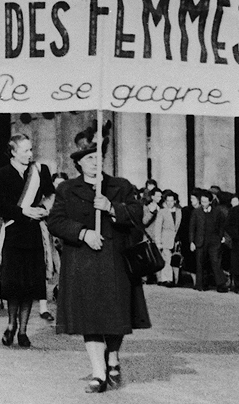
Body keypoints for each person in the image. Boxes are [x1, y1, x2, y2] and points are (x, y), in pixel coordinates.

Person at [48, 137, 150, 393]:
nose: (95, 162)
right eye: (89, 158)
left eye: (98, 157)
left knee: (116, 315)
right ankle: (98, 372)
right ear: (79, 163)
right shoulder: (68, 189)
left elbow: (138, 214)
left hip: (116, 260)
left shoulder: (120, 186)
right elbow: (55, 221)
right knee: (90, 318)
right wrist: (83, 233)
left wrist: (112, 207)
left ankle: (113, 356)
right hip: (83, 262)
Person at [0, 133, 54, 348]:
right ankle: (11, 325)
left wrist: (43, 211)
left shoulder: (40, 171)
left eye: (31, 149)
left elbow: (50, 196)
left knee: (30, 285)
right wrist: (22, 211)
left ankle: (24, 331)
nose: (30, 154)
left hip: (33, 233)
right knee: (13, 285)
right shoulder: (1, 174)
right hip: (13, 233)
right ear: (13, 151)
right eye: (26, 150)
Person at [190, 190, 229, 292]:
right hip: (200, 240)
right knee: (200, 263)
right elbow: (192, 228)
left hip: (214, 241)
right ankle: (201, 284)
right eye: (202, 201)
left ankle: (221, 284)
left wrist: (220, 237)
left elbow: (221, 226)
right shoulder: (196, 212)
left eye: (205, 202)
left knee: (215, 262)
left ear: (210, 201)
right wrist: (192, 242)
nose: (203, 204)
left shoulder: (217, 212)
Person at [153, 191, 182, 287]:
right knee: (167, 259)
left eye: (171, 201)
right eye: (167, 201)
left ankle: (173, 279)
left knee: (174, 260)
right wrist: (158, 241)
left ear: (175, 201)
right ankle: (167, 279)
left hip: (175, 239)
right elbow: (158, 227)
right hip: (165, 238)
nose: (169, 203)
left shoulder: (179, 211)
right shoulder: (162, 212)